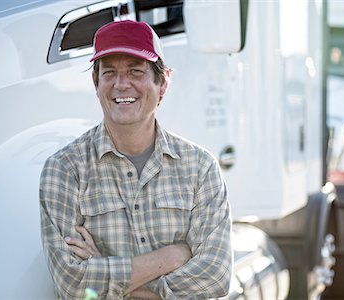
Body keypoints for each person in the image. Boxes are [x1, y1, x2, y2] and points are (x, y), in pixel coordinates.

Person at [39, 20, 232, 299]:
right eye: (109, 73)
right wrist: (168, 257)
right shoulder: (64, 170)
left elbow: (215, 276)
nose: (121, 84)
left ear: (163, 83)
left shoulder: (199, 168)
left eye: (135, 71)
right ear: (96, 83)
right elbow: (73, 285)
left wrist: (105, 272)